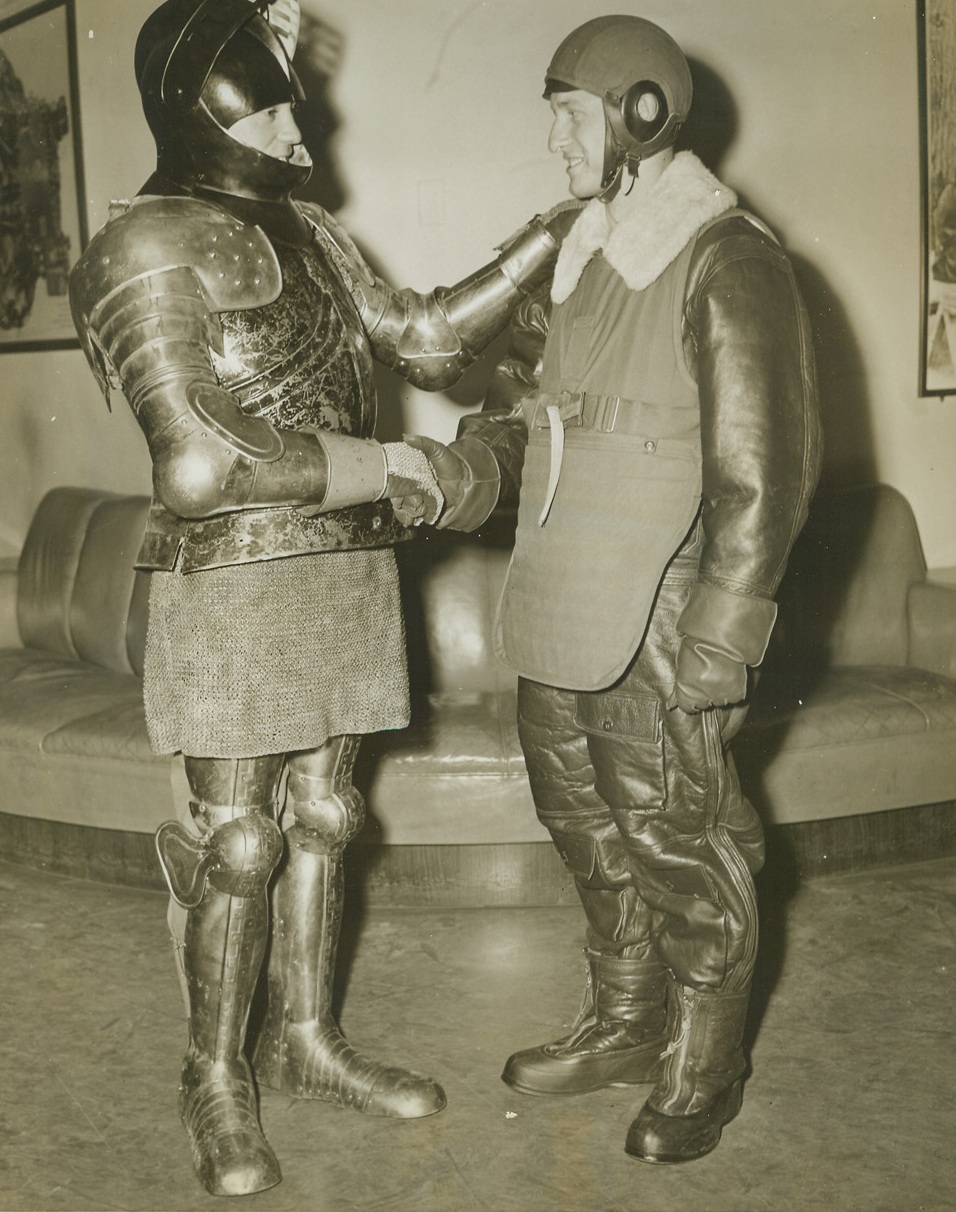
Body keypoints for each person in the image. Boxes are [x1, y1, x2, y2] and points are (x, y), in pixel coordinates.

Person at [68, 0, 578, 1197]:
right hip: (234, 579)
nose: (303, 123)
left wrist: (539, 240)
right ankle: (215, 1073)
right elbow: (196, 463)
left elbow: (417, 337)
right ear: (202, 106)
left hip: (346, 566)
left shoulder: (309, 231)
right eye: (275, 102)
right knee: (236, 843)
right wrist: (383, 467)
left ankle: (305, 1041)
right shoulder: (143, 246)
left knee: (327, 819)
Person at [404, 14, 822, 1165]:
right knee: (581, 822)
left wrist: (725, 634)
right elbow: (514, 419)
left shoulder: (726, 257)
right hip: (562, 588)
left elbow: (765, 469)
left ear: (638, 114)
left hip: (667, 597)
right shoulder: (583, 257)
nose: (551, 143)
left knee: (674, 832)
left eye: (564, 116)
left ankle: (705, 1052)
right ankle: (626, 1018)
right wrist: (447, 477)